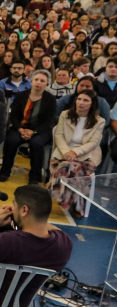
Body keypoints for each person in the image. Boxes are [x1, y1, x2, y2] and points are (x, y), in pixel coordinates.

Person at [48, 91, 106, 219]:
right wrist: (66, 152)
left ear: (92, 104)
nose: (81, 103)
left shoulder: (99, 121)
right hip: (64, 152)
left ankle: (66, 200)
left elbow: (93, 143)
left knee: (73, 168)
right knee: (69, 166)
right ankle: (77, 205)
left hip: (87, 154)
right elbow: (59, 135)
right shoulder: (65, 115)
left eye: (86, 100)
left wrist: (75, 152)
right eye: (79, 99)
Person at [0, 70, 57, 184]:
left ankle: (34, 176)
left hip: (40, 130)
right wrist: (20, 129)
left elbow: (49, 121)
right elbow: (13, 115)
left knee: (37, 144)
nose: (38, 83)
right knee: (11, 140)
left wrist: (33, 132)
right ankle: (5, 171)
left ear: (47, 84)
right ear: (31, 82)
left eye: (42, 81)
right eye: (36, 80)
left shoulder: (50, 99)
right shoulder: (21, 95)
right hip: (20, 128)